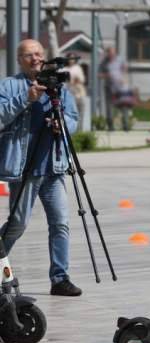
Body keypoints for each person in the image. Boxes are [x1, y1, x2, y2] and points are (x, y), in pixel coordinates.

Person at [0, 39, 81, 296]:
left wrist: (63, 125)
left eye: (38, 53)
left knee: (61, 223)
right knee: (18, 223)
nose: (34, 58)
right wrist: (27, 98)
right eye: (28, 55)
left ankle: (60, 278)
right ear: (19, 60)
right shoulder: (10, 86)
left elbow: (74, 119)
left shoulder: (58, 86)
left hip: (53, 167)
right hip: (24, 169)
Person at [99, 46, 127, 131]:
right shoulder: (104, 62)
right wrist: (107, 75)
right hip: (109, 87)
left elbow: (124, 68)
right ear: (108, 54)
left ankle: (125, 125)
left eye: (113, 53)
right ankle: (110, 126)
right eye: (110, 53)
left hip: (119, 87)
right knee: (109, 107)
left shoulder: (120, 60)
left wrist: (122, 77)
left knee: (123, 106)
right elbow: (99, 74)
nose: (111, 55)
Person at [63, 52, 87, 130]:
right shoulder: (64, 69)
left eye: (73, 58)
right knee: (71, 113)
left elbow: (82, 80)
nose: (71, 60)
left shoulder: (78, 68)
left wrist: (75, 80)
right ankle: (72, 130)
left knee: (81, 113)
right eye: (70, 58)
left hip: (79, 93)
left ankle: (80, 130)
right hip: (69, 94)